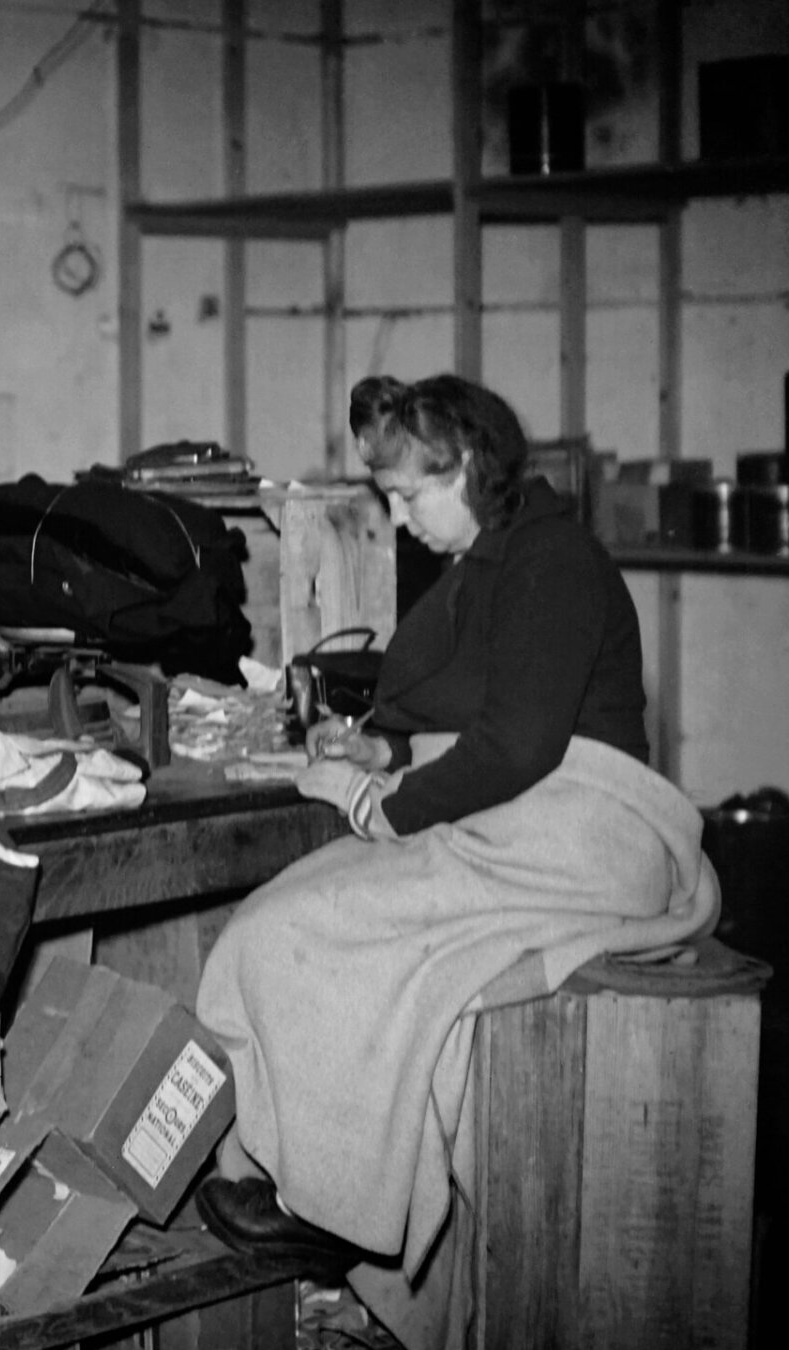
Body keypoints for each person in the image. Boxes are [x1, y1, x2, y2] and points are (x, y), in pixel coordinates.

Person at [190, 375, 717, 1343]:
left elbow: (518, 747)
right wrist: (378, 755)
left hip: (586, 839)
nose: (397, 516)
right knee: (280, 915)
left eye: (407, 494)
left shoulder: (551, 562)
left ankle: (333, 1203)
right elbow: (478, 706)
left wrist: (374, 810)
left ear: (469, 467)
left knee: (306, 930)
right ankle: (309, 1175)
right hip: (527, 820)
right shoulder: (490, 557)